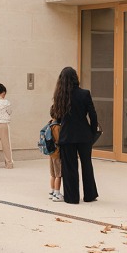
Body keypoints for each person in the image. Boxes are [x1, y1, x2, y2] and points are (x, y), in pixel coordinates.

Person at [52, 66, 98, 205]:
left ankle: (72, 197)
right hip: (84, 135)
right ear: (75, 78)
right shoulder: (85, 93)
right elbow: (93, 115)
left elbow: (57, 116)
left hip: (67, 136)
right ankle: (89, 195)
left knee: (69, 167)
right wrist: (92, 131)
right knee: (86, 165)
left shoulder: (59, 96)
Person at [47, 108, 63, 201]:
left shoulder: (49, 124)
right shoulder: (57, 126)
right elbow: (58, 140)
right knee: (58, 174)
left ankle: (52, 191)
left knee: (53, 174)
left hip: (51, 153)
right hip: (57, 153)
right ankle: (57, 193)